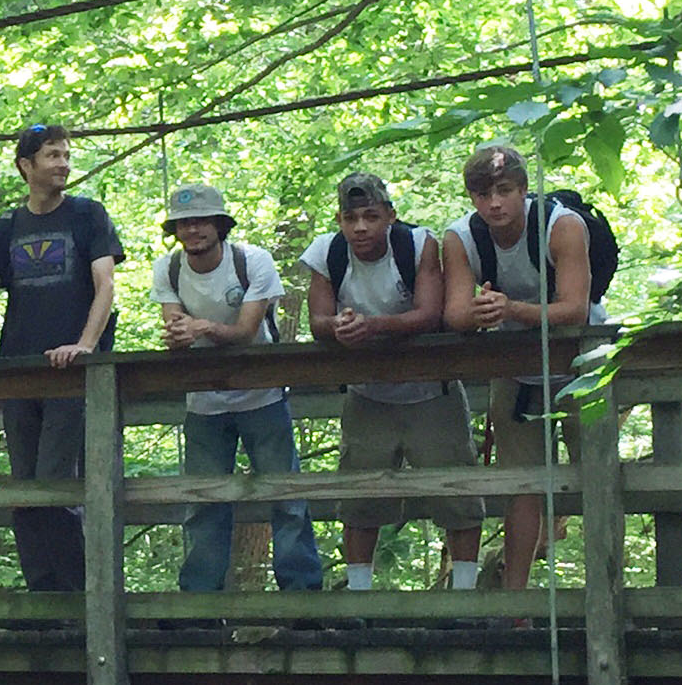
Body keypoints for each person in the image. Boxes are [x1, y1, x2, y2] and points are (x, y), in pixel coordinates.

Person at [0, 123, 123, 592]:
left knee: (58, 484)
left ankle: (80, 597)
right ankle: (42, 596)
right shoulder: (7, 228)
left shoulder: (87, 216)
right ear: (25, 166)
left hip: (71, 375)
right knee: (23, 486)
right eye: (52, 156)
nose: (63, 164)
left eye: (66, 155)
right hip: (19, 372)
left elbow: (106, 285)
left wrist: (87, 345)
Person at [301, 173, 482, 593]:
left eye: (370, 216)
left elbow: (429, 313)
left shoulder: (419, 245)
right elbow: (317, 319)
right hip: (367, 394)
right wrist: (338, 327)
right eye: (350, 218)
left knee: (457, 492)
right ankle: (360, 599)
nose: (360, 227)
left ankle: (467, 598)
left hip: (431, 391)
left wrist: (374, 326)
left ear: (390, 216)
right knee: (360, 497)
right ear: (340, 221)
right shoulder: (326, 253)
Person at [152, 183, 323, 594]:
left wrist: (202, 328)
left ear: (219, 225)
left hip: (261, 394)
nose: (193, 230)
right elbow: (174, 324)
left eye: (201, 221)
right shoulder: (168, 268)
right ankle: (200, 601)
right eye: (184, 223)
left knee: (285, 494)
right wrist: (181, 333)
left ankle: (301, 595)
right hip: (203, 400)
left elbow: (248, 330)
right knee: (204, 500)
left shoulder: (252, 261)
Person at [442, 145, 594, 592]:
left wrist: (512, 309)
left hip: (582, 367)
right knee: (522, 484)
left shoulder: (562, 226)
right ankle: (517, 601)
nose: (494, 204)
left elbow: (576, 309)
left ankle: (607, 584)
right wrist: (482, 312)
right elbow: (454, 314)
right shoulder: (461, 238)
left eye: (505, 191)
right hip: (515, 370)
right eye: (483, 194)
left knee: (597, 475)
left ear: (524, 190)